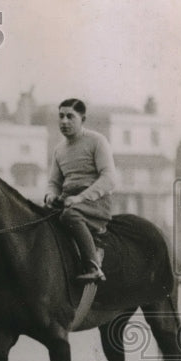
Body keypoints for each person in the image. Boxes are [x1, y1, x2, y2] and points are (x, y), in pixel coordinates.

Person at [44, 98, 117, 283]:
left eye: (70, 116)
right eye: (61, 116)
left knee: (70, 216)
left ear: (82, 119)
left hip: (95, 203)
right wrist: (51, 195)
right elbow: (54, 182)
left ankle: (94, 267)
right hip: (69, 202)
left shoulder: (97, 141)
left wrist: (79, 198)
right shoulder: (59, 150)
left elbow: (109, 178)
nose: (64, 121)